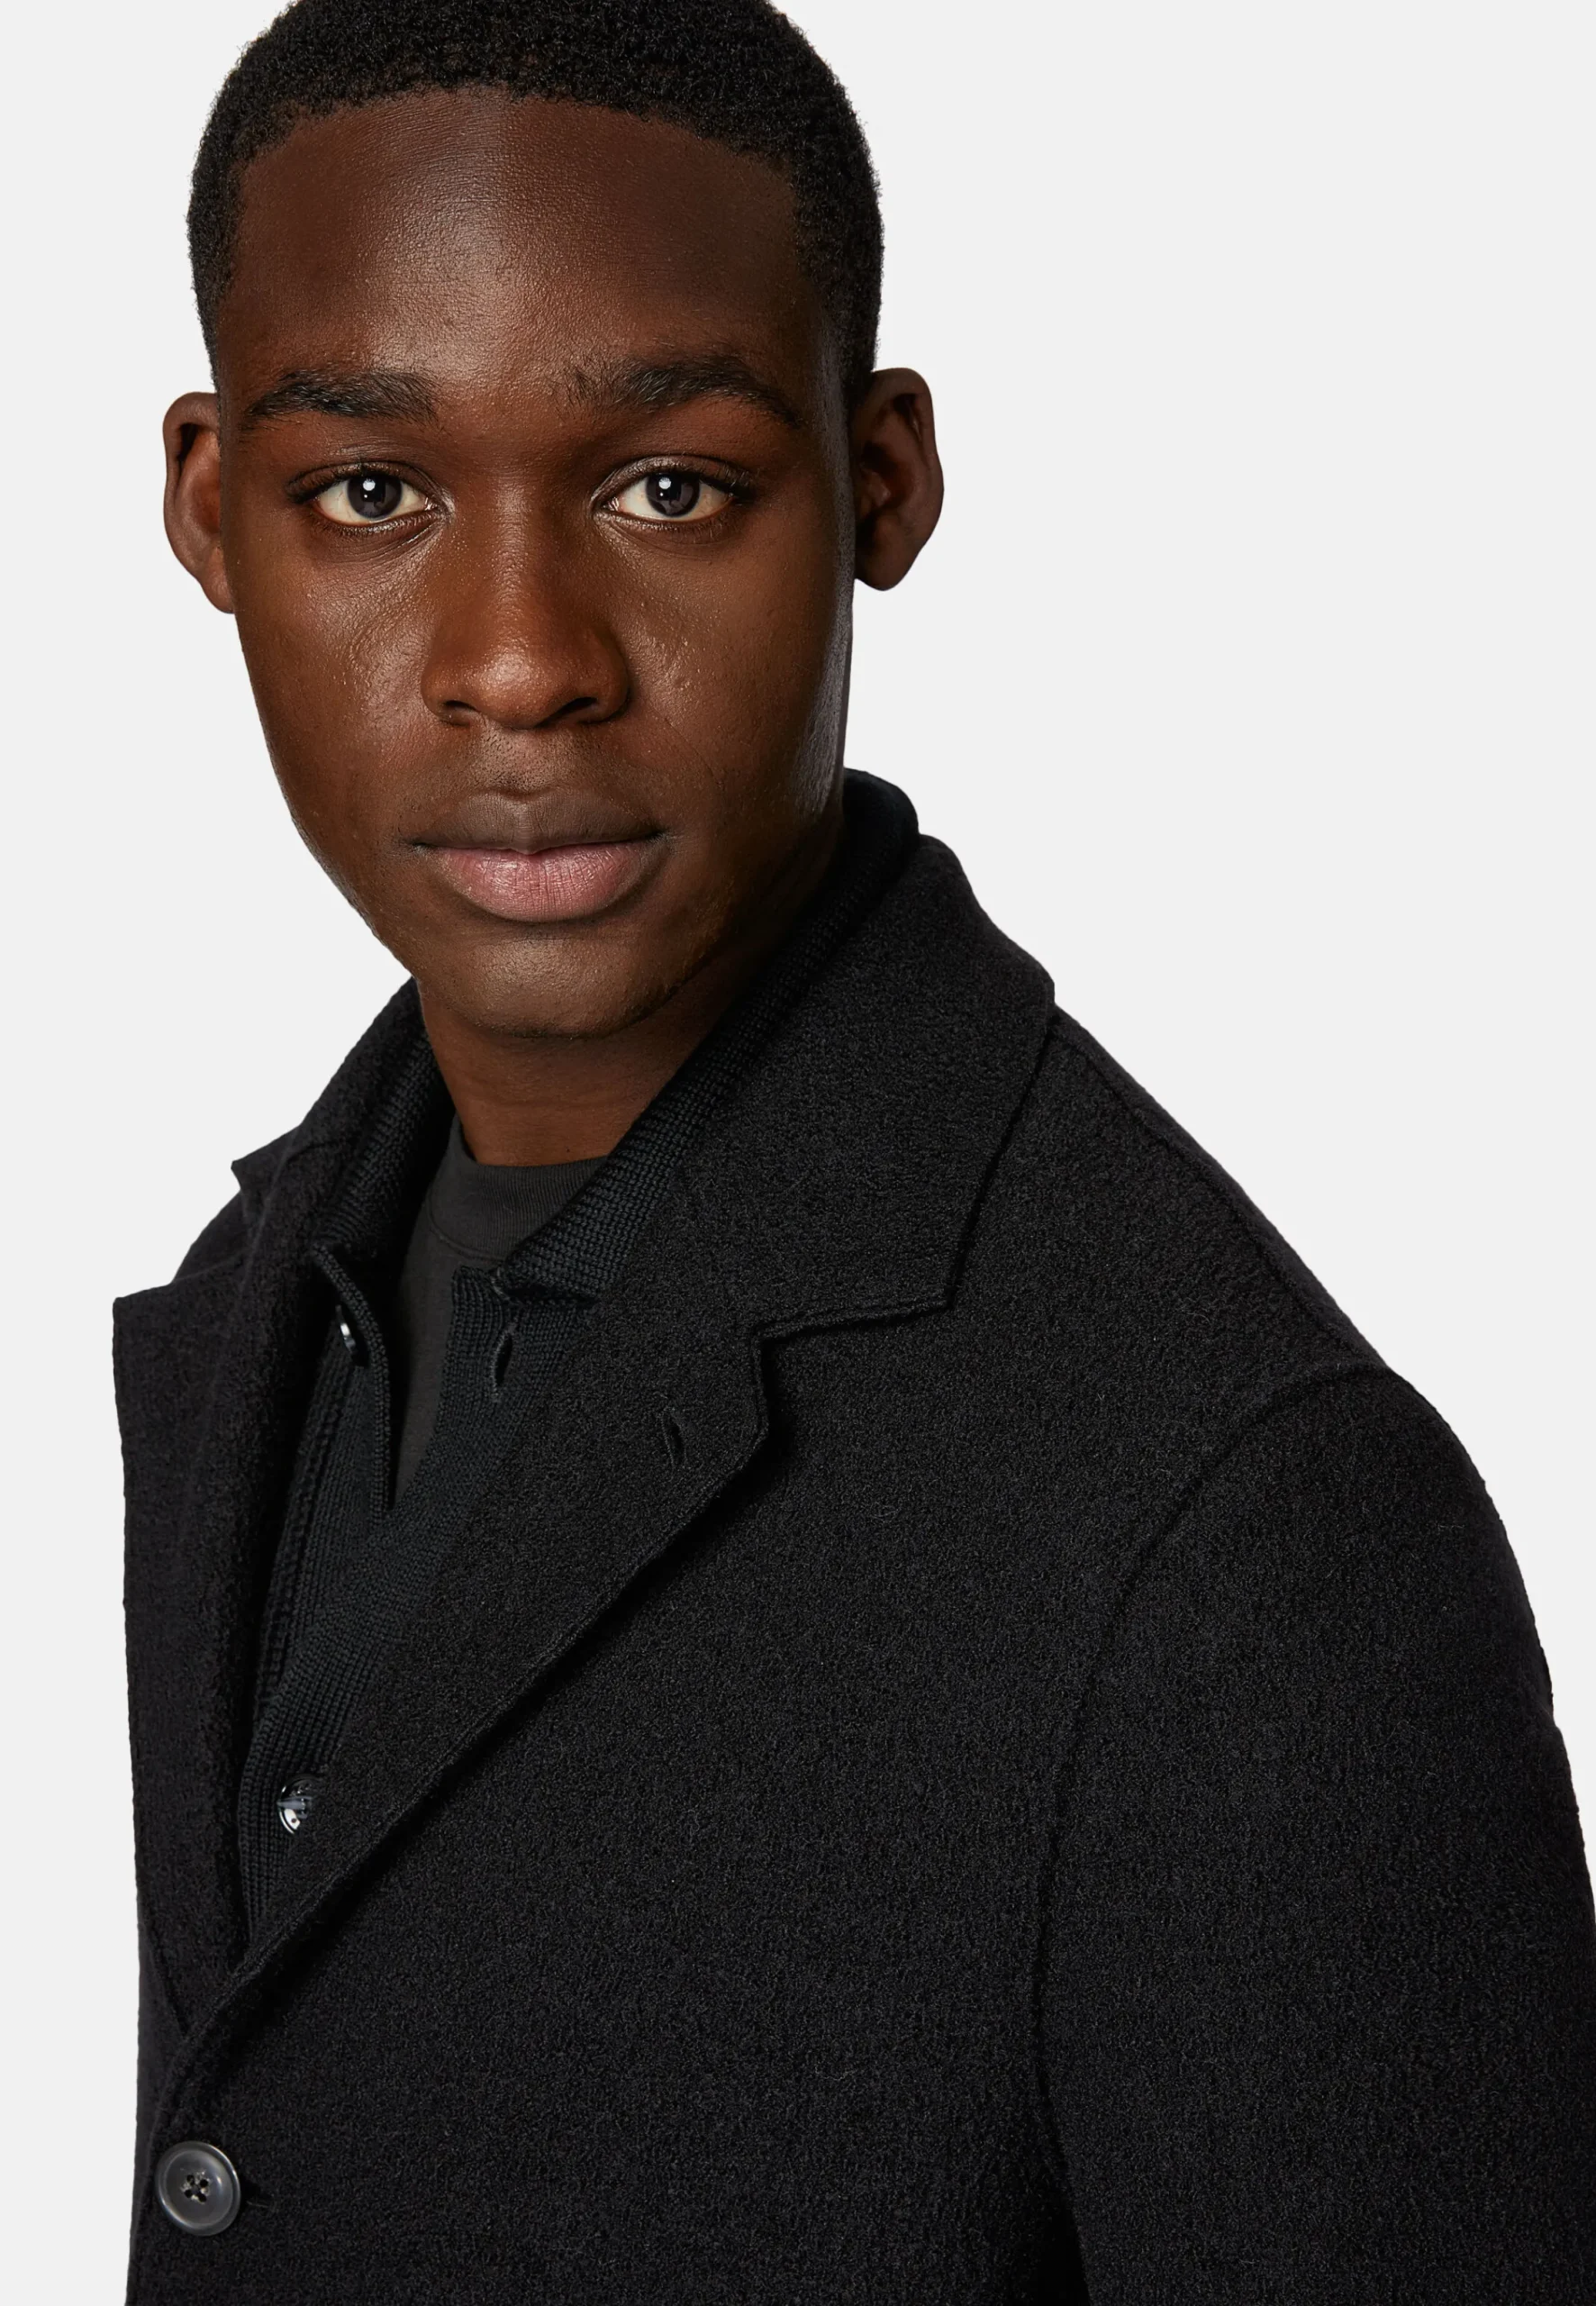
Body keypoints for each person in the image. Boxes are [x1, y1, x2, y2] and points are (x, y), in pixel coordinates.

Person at [119, 0, 1596, 2297]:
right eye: (373, 495)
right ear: (214, 508)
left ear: (880, 480)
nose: (520, 660)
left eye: (668, 486)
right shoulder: (256, 1306)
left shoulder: (1251, 1539)